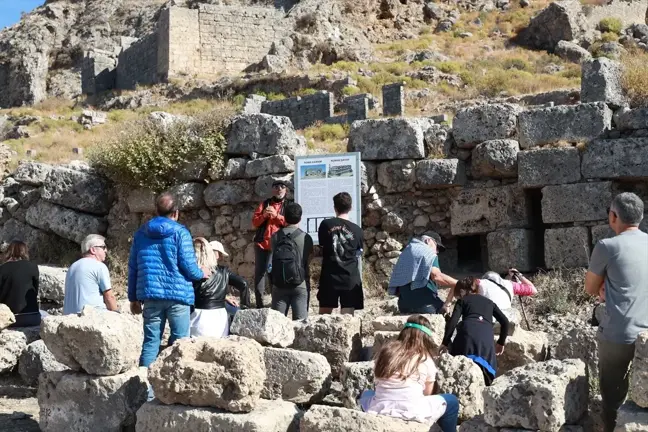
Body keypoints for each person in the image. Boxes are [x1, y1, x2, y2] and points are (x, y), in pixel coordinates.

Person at [585, 192, 648, 432]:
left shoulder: (607, 246)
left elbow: (590, 288)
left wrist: (605, 286)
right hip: (647, 331)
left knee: (612, 397)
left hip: (618, 333)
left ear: (613, 216)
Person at [128, 192, 209, 368]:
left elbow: (133, 267)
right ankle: (174, 389)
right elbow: (188, 266)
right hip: (178, 295)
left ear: (156, 211)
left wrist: (133, 298)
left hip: (151, 295)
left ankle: (144, 389)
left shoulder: (141, 234)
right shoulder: (181, 232)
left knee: (150, 342)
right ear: (176, 212)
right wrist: (201, 272)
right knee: (180, 344)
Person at [359, 315, 459, 432]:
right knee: (452, 401)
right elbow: (428, 393)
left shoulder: (386, 351)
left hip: (380, 407)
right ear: (425, 338)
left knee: (366, 394)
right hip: (411, 409)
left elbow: (378, 383)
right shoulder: (424, 358)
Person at [441, 277, 509, 386]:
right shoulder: (489, 302)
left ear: (462, 291)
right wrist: (501, 342)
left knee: (459, 373)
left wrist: (445, 342)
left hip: (467, 337)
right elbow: (505, 322)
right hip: (486, 339)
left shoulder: (462, 301)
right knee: (485, 376)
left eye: (458, 293)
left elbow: (453, 322)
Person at [190, 238, 248, 338]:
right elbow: (243, 284)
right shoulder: (224, 271)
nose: (220, 257)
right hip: (220, 323)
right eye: (218, 254)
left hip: (198, 321)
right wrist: (245, 308)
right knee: (234, 310)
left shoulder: (194, 272)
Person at [317, 192, 364, 315]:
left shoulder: (325, 224)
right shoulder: (357, 230)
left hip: (330, 275)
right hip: (349, 276)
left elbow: (322, 245)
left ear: (335, 208)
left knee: (324, 315)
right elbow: (359, 251)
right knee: (348, 316)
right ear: (351, 208)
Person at [388, 233, 458, 315]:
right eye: (437, 247)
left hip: (404, 306)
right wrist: (457, 283)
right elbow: (436, 276)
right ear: (428, 241)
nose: (437, 251)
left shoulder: (405, 253)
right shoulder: (429, 253)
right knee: (446, 314)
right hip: (426, 305)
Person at [269, 202, 313, 321]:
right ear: (300, 218)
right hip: (299, 284)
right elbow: (307, 259)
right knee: (300, 326)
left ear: (284, 216)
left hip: (279, 285)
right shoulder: (306, 238)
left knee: (277, 325)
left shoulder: (274, 237)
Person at [251, 180, 291, 309]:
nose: (279, 189)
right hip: (262, 244)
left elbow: (291, 223)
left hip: (279, 245)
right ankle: (259, 304)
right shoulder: (265, 204)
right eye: (276, 187)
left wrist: (276, 216)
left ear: (286, 190)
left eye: (282, 187)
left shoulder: (289, 205)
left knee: (275, 274)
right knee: (260, 274)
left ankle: (276, 304)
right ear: (272, 190)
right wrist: (264, 215)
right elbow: (255, 222)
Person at [63, 235, 118, 315]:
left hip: (68, 317)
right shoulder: (99, 266)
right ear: (93, 250)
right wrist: (117, 314)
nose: (106, 250)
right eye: (103, 247)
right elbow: (109, 297)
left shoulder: (72, 267)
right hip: (90, 316)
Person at [0, 241, 40, 326]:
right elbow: (35, 291)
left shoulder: (2, 269)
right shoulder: (33, 267)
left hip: (11, 318)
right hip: (33, 316)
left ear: (9, 252)